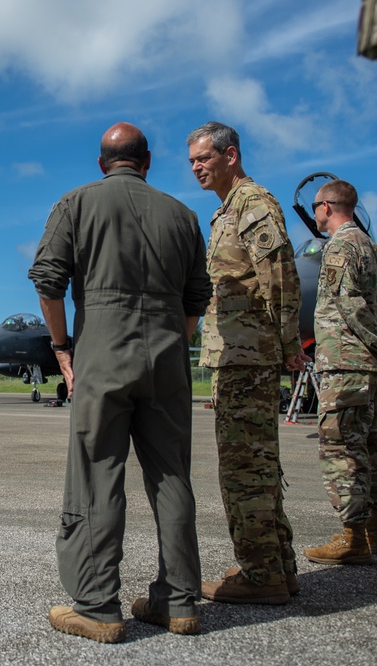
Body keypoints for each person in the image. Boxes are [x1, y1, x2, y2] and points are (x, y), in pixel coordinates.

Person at [28, 122, 211, 643]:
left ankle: (97, 606)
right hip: (169, 358)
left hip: (103, 354)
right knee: (171, 475)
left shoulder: (77, 203)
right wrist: (171, 342)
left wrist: (63, 349)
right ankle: (178, 602)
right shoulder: (183, 215)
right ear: (147, 161)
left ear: (102, 162)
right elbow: (198, 297)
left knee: (96, 471)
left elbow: (48, 281)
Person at [187, 121, 310, 605]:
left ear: (230, 155)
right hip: (239, 354)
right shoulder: (226, 211)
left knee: (244, 469)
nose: (197, 167)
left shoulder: (253, 204)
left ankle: (262, 577)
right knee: (257, 464)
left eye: (204, 158)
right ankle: (279, 566)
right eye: (192, 161)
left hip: (248, 355)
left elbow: (279, 277)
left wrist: (286, 345)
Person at [303, 180, 377, 564]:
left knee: (340, 449)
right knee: (368, 447)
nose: (314, 213)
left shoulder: (341, 246)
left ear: (327, 207)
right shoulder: (367, 244)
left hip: (345, 363)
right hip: (365, 368)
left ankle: (352, 538)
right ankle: (371, 532)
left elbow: (351, 306)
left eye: (316, 206)